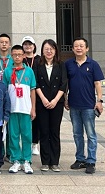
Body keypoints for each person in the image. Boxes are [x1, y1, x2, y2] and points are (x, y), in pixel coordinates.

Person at [65, 37, 104, 174]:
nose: (79, 48)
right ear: (72, 49)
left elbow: (97, 83)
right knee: (77, 134)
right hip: (74, 105)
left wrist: (99, 101)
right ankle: (80, 158)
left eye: (81, 46)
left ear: (87, 48)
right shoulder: (68, 64)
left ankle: (91, 161)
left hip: (88, 105)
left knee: (91, 134)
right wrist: (65, 98)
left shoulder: (93, 64)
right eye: (76, 46)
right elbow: (66, 83)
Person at [34, 38, 67, 172]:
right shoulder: (38, 64)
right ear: (42, 51)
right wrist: (43, 99)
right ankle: (45, 162)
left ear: (55, 50)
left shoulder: (61, 65)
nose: (49, 51)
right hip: (42, 102)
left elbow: (63, 84)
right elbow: (35, 83)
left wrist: (55, 100)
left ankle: (55, 162)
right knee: (44, 132)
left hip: (56, 103)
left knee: (54, 132)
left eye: (51, 49)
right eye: (46, 49)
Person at [3, 44, 36, 174]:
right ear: (11, 56)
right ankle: (16, 160)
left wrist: (33, 109)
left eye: (19, 55)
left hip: (25, 109)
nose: (17, 57)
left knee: (27, 135)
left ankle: (27, 160)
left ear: (23, 56)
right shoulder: (7, 71)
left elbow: (32, 90)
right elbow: (5, 91)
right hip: (12, 109)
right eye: (15, 55)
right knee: (13, 135)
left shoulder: (29, 71)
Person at [22, 36, 42, 156]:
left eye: (30, 44)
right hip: (23, 93)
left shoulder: (40, 59)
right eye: (25, 44)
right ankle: (25, 143)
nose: (28, 46)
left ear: (34, 46)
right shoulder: (20, 59)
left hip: (37, 93)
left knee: (36, 120)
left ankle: (35, 144)